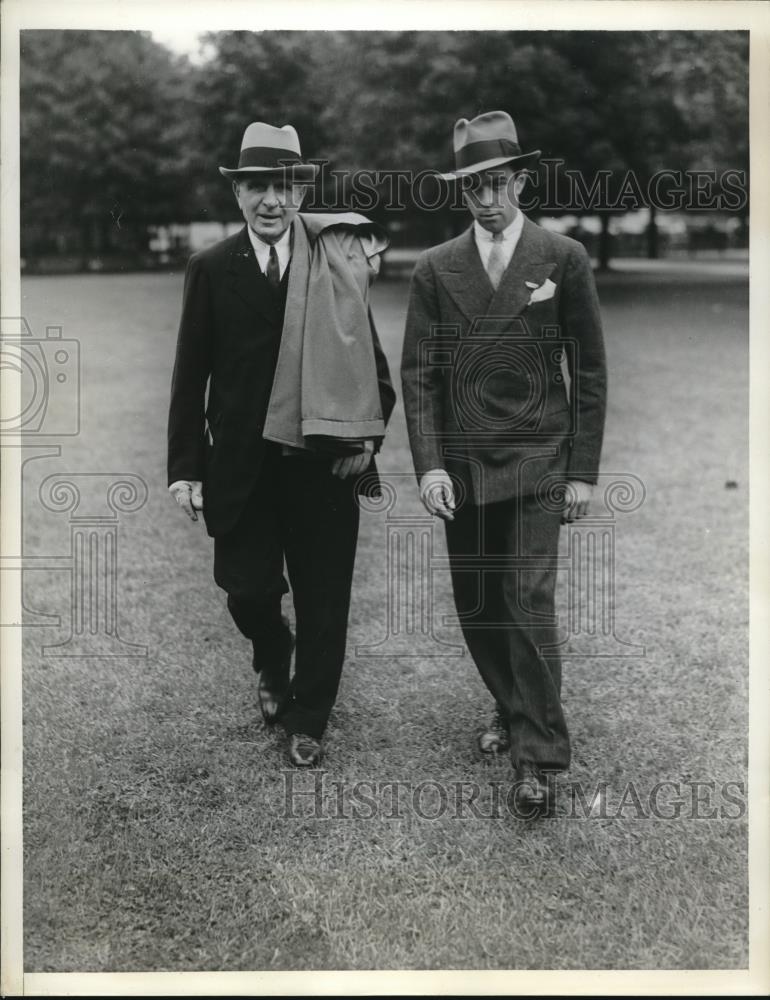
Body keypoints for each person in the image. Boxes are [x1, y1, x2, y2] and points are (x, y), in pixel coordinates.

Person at [168, 121, 395, 767]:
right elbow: (190, 375)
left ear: (302, 191)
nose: (273, 200)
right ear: (238, 194)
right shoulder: (210, 268)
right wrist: (185, 468)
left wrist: (369, 438)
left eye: (286, 186)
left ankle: (308, 717)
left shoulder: (338, 257)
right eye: (258, 187)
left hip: (322, 461)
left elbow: (371, 365)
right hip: (241, 463)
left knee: (326, 599)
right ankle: (271, 650)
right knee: (246, 590)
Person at [401, 111, 607, 812]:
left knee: (527, 598)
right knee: (480, 602)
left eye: (497, 184)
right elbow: (420, 375)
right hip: (463, 466)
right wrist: (429, 466)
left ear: (520, 181)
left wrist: (581, 471)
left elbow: (591, 372)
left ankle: (537, 754)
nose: (486, 200)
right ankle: (509, 701)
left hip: (540, 459)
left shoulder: (563, 259)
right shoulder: (434, 268)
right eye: (472, 188)